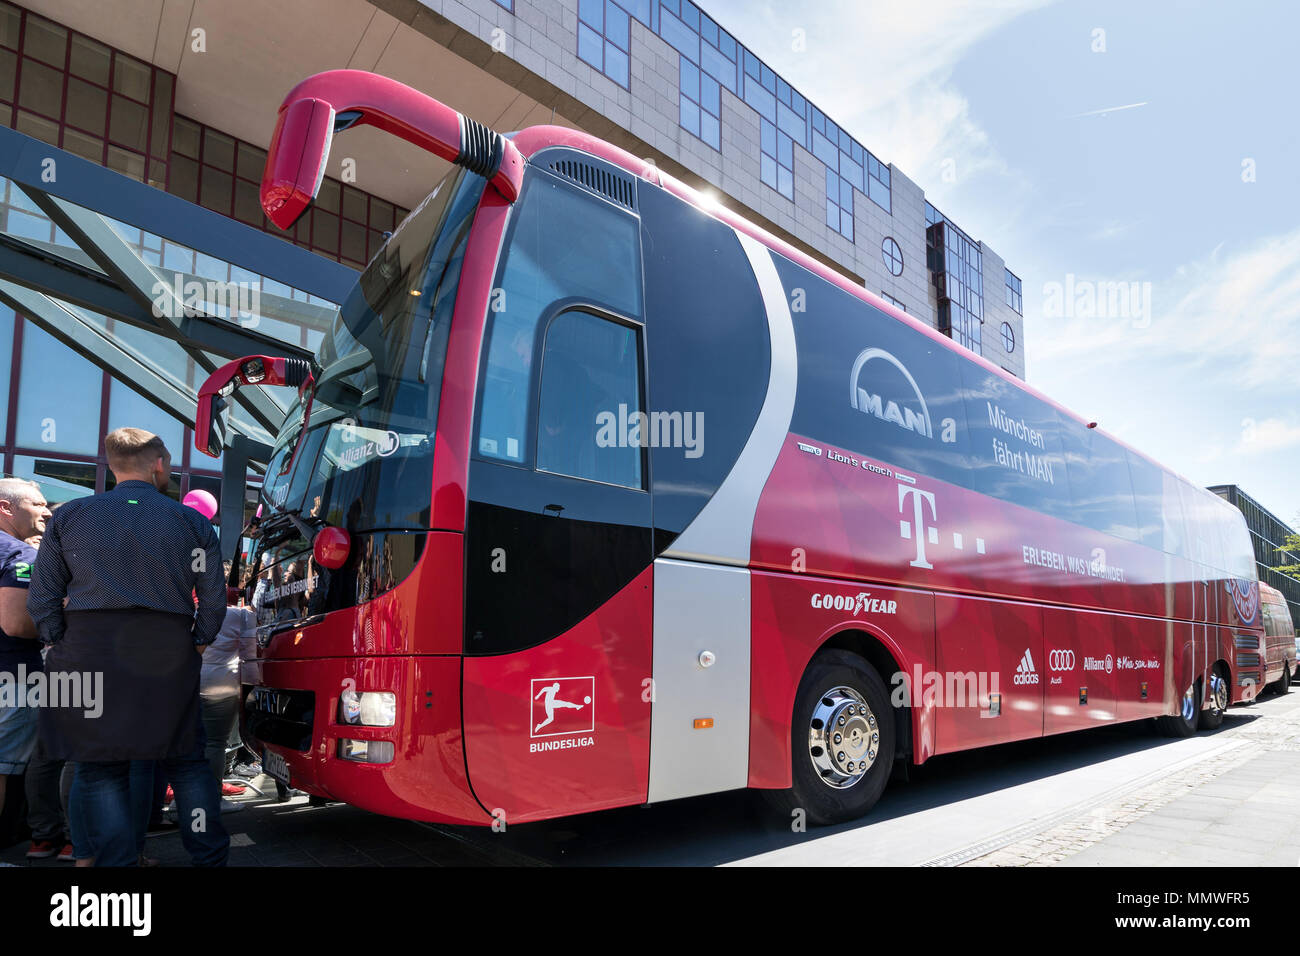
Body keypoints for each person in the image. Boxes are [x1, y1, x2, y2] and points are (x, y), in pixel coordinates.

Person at [27, 428, 230, 867]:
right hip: (165, 649)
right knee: (187, 760)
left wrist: (61, 641)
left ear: (110, 464)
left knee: (102, 766)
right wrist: (198, 641)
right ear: (158, 464)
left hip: (87, 649)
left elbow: (42, 597)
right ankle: (208, 858)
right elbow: (214, 597)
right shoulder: (191, 522)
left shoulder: (69, 517)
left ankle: (116, 865)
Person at [0, 479, 50, 829]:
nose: (46, 510)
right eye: (37, 503)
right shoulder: (22, 555)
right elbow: (17, 625)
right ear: (7, 508)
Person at [200, 588, 255, 790]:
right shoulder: (242, 616)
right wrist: (252, 691)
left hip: (191, 682)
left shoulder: (193, 614)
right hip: (222, 686)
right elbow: (249, 658)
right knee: (215, 743)